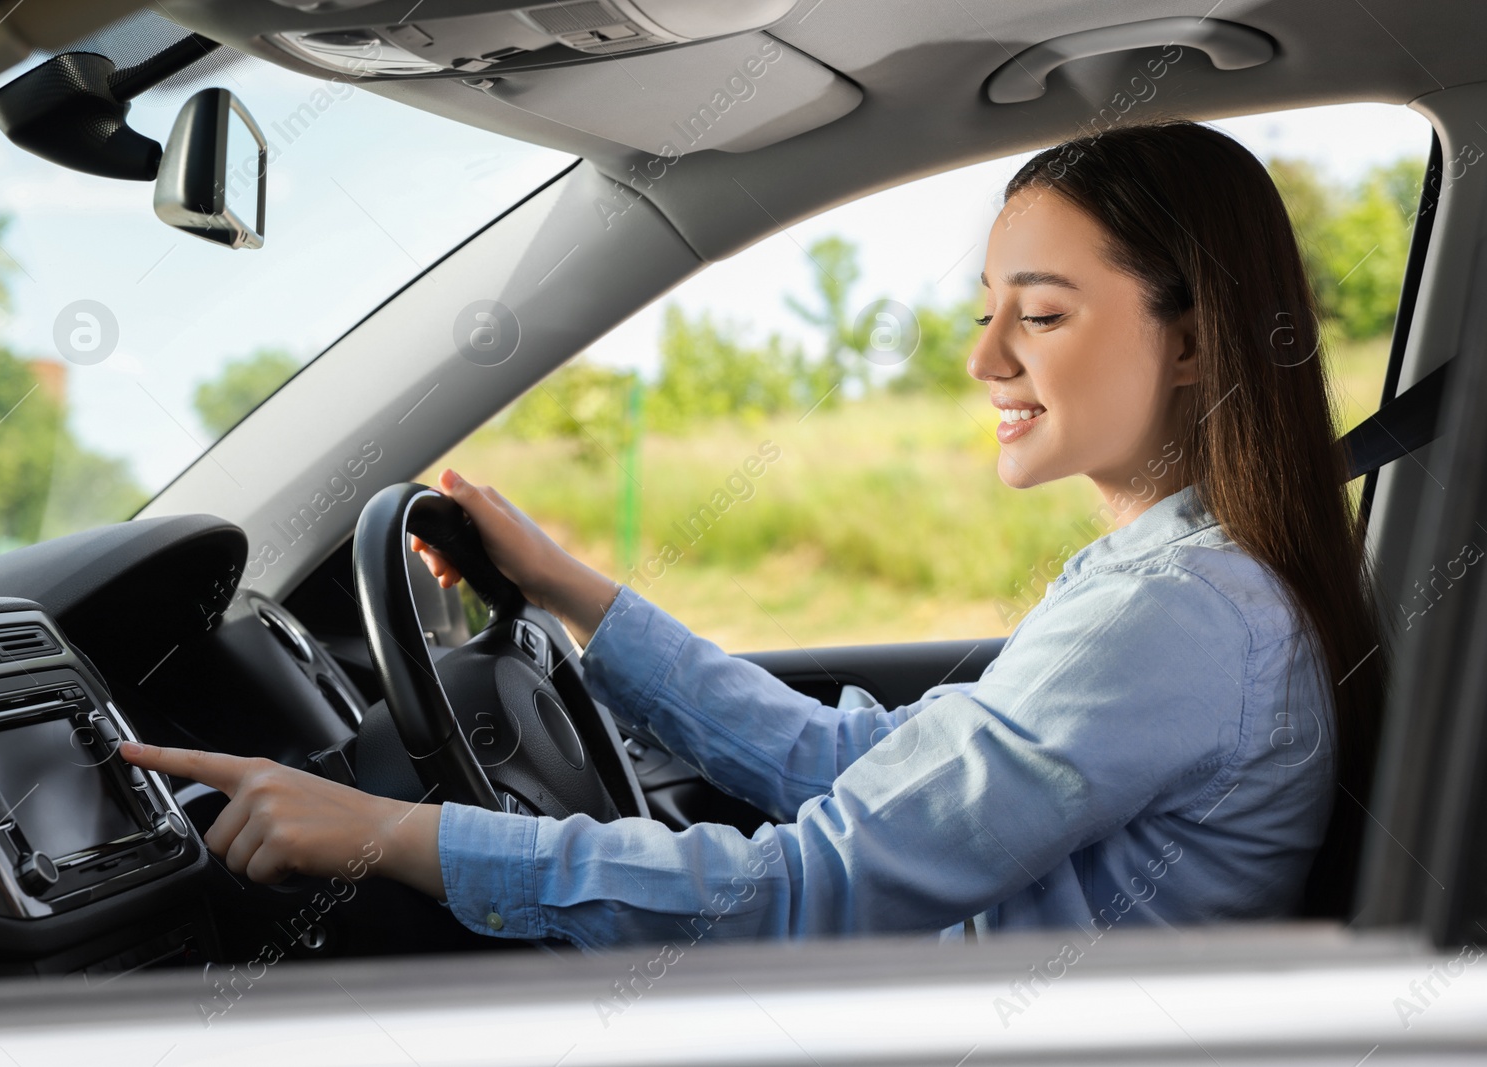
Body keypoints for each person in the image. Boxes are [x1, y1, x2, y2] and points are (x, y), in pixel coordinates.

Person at [122, 120, 1387, 947]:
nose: (981, 356)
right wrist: (580, 597)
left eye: (1041, 316)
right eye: (985, 308)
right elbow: (867, 765)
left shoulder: (1178, 614)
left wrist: (390, 833)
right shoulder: (1172, 584)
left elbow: (812, 891)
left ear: (1195, 338)